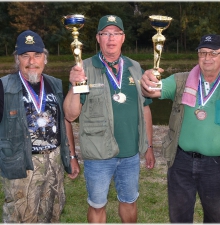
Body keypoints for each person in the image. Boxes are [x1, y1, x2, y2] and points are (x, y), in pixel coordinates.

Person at [140, 34, 220, 223]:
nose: (207, 58)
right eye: (202, 53)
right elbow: (151, 91)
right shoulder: (180, 81)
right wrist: (147, 81)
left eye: (213, 53)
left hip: (217, 166)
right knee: (179, 218)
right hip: (181, 163)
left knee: (215, 218)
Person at [63, 15, 155, 223]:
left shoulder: (135, 67)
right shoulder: (83, 69)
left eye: (115, 33)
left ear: (123, 38)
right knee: (97, 205)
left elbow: (146, 110)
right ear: (98, 38)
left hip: (130, 154)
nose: (110, 38)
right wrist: (75, 85)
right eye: (105, 33)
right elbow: (70, 115)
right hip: (98, 156)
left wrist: (149, 147)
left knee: (130, 201)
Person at [0, 30, 80, 223]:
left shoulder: (55, 84)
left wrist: (71, 156)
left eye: (37, 55)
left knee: (52, 214)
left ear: (45, 59)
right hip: (22, 167)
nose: (31, 61)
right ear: (17, 60)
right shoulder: (4, 86)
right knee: (21, 217)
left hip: (54, 164)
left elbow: (64, 122)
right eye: (25, 56)